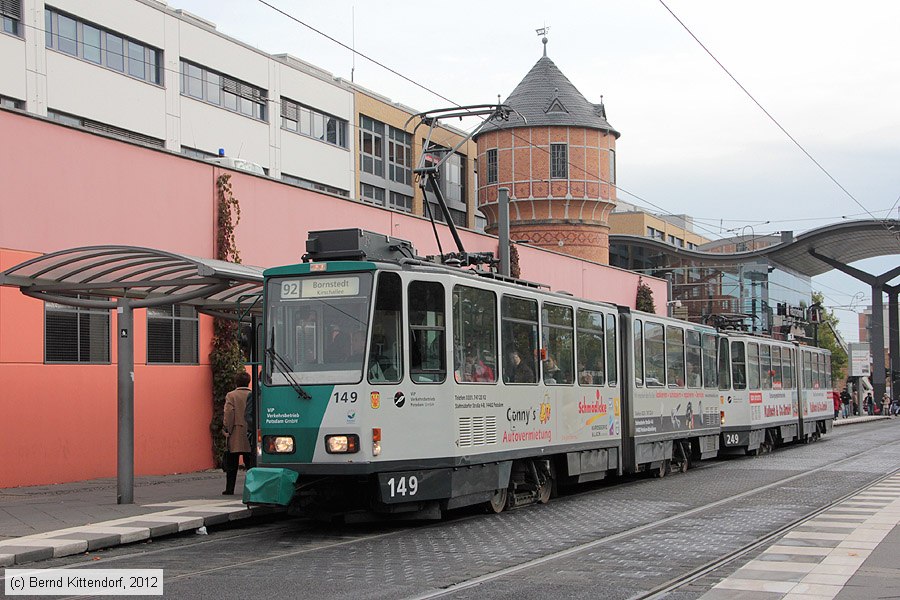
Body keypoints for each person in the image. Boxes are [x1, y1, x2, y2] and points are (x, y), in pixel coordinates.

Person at [222, 371, 253, 496]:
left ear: (236, 382)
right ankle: (251, 489)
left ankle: (230, 489)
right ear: (248, 381)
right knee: (250, 463)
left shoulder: (231, 395)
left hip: (235, 432)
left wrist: (227, 429)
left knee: (232, 464)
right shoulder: (253, 394)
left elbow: (229, 413)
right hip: (250, 432)